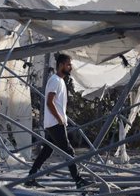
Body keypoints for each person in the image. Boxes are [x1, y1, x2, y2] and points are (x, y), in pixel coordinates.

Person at [26, 53, 91, 188]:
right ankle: (78, 180)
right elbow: (50, 102)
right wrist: (59, 118)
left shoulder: (60, 81)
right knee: (69, 151)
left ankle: (31, 177)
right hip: (55, 123)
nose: (70, 67)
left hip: (53, 123)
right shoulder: (55, 80)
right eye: (68, 65)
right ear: (61, 65)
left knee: (46, 152)